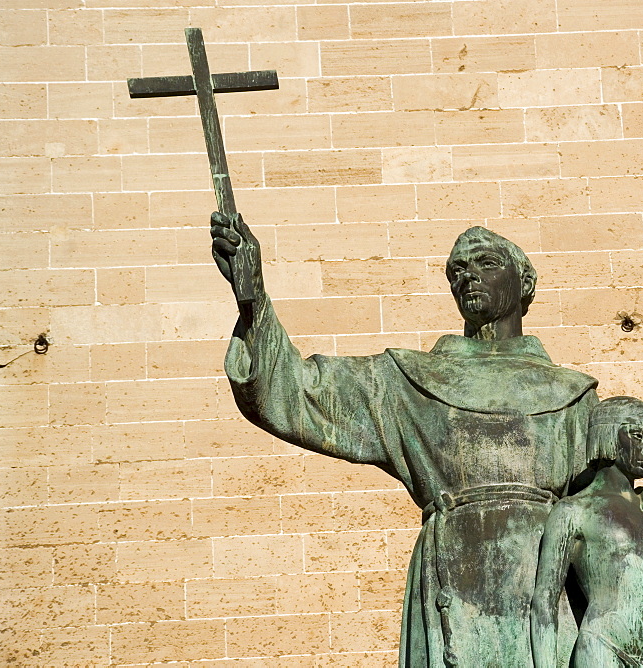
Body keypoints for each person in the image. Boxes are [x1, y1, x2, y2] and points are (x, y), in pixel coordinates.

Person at [211, 213, 598, 667]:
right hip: (454, 583)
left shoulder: (574, 396)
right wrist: (253, 297)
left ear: (524, 282)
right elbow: (296, 391)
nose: (467, 275)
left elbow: (609, 514)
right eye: (457, 271)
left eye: (485, 263)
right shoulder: (407, 382)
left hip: (544, 591)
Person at [530, 397, 643, 668]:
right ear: (607, 434)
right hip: (605, 649)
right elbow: (544, 602)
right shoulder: (574, 510)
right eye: (638, 435)